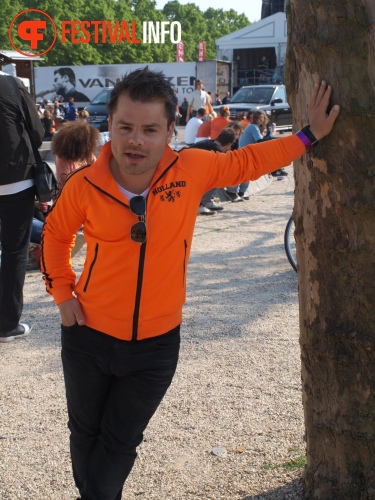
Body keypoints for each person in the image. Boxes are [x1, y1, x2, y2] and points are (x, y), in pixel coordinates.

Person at [40, 67, 339, 500]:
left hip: (156, 345)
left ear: (169, 130)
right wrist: (63, 294)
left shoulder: (192, 169)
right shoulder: (84, 185)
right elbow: (55, 235)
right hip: (87, 336)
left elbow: (251, 161)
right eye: (125, 127)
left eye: (149, 129)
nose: (135, 140)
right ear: (110, 126)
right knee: (84, 433)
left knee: (120, 442)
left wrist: (309, 135)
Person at [0, 75, 44, 342]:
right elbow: (36, 131)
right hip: (16, 179)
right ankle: (6, 324)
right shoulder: (12, 85)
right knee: (15, 251)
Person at [190, 128, 237, 215]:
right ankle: (200, 205)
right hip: (189, 175)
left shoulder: (208, 144)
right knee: (218, 176)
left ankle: (206, 201)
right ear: (229, 144)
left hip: (185, 170)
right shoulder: (216, 151)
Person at [226, 110, 269, 202]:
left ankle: (241, 192)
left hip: (247, 152)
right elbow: (259, 141)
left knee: (247, 173)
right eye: (260, 117)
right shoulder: (253, 127)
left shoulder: (254, 127)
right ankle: (232, 191)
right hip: (245, 153)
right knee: (243, 173)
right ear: (256, 118)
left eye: (263, 117)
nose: (262, 119)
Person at [51, 121, 99, 190]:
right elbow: (65, 180)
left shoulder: (88, 155)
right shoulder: (62, 158)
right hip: (70, 194)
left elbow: (98, 170)